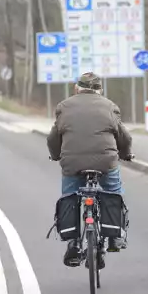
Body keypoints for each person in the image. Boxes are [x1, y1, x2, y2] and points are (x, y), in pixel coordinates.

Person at [47, 72, 133, 267]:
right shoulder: (110, 106)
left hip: (72, 163)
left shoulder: (63, 106)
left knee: (70, 195)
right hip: (105, 162)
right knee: (113, 189)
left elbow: (53, 138)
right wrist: (126, 154)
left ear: (77, 88)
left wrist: (56, 155)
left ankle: (73, 243)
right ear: (99, 90)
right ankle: (114, 236)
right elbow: (124, 137)